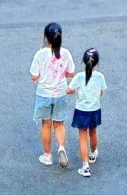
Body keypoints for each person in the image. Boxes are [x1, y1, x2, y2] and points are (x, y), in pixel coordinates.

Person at [30, 23, 75, 168]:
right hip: (60, 92)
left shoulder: (40, 54)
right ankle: (61, 148)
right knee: (59, 123)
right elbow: (70, 73)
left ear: (45, 37)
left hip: (44, 94)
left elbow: (34, 76)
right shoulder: (65, 53)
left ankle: (47, 156)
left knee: (46, 124)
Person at [67, 47, 107, 177]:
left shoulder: (79, 77)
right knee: (93, 132)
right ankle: (93, 153)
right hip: (94, 109)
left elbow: (68, 90)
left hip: (81, 110)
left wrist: (74, 91)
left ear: (83, 61)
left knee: (82, 138)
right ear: (97, 62)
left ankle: (85, 166)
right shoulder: (100, 77)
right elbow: (101, 92)